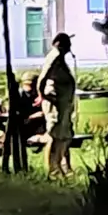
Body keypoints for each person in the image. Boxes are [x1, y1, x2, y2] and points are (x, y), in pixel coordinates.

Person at [34, 32, 78, 176]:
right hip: (55, 101)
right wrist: (42, 96)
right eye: (67, 44)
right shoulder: (53, 57)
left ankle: (63, 166)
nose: (70, 47)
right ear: (59, 44)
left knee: (64, 134)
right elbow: (42, 78)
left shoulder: (60, 58)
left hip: (63, 102)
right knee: (54, 133)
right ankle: (52, 169)